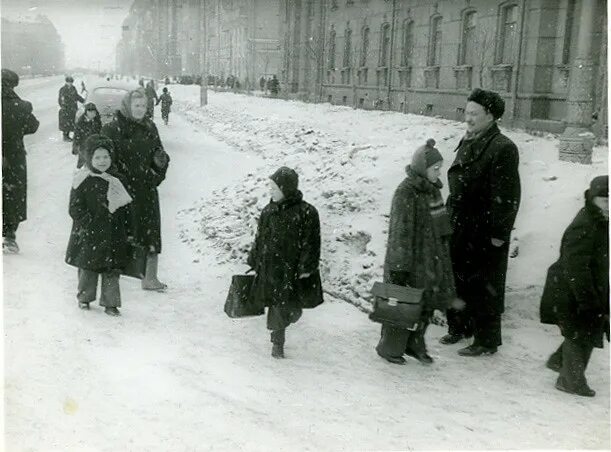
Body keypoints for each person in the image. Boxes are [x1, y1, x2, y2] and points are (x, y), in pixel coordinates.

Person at [442, 88, 521, 356]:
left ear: (490, 115)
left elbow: (508, 195)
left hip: (485, 226)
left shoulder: (503, 147)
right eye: (467, 112)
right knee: (459, 276)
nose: (468, 118)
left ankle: (486, 340)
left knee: (486, 284)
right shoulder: (470, 139)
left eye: (474, 113)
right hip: (461, 222)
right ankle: (459, 327)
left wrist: (499, 232)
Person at [375, 139, 458, 365]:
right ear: (423, 168)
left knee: (425, 305)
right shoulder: (406, 193)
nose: (439, 172)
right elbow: (399, 233)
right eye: (435, 168)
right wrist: (399, 267)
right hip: (408, 263)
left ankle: (415, 343)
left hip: (430, 262)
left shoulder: (433, 193)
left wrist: (442, 257)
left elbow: (442, 229)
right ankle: (389, 347)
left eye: (440, 167)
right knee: (401, 306)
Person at [540, 176, 609, 397]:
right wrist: (587, 300)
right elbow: (576, 267)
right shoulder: (586, 224)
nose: (608, 203)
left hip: (583, 285)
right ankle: (570, 381)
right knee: (582, 330)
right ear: (592, 198)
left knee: (583, 328)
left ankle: (558, 361)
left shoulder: (600, 219)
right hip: (571, 288)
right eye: (604, 198)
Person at [247, 167, 323, 359]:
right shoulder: (268, 211)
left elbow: (312, 242)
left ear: (285, 188)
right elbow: (260, 238)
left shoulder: (307, 212)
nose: (270, 191)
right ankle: (277, 343)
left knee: (291, 308)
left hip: (292, 270)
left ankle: (286, 322)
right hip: (272, 268)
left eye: (274, 188)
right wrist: (254, 258)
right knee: (277, 307)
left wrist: (307, 267)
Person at [101, 89, 170, 292]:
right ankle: (110, 278)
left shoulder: (150, 127)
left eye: (143, 106)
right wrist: (119, 181)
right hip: (121, 191)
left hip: (146, 190)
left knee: (150, 235)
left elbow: (159, 154)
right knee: (119, 235)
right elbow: (105, 160)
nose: (140, 109)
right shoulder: (113, 129)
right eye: (136, 105)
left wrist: (159, 166)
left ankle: (150, 278)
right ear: (127, 106)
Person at [65, 134, 133, 316]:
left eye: (106, 157)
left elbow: (126, 207)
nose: (102, 161)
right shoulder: (82, 180)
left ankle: (111, 303)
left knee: (112, 269)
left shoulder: (117, 180)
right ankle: (84, 297)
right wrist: (88, 222)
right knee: (88, 267)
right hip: (90, 233)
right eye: (97, 157)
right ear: (89, 158)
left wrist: (128, 229)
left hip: (113, 233)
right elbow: (74, 208)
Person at [1, 69, 40, 254]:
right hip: (14, 155)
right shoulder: (21, 106)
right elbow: (33, 126)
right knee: (12, 193)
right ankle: (9, 235)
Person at [73, 103, 102, 168]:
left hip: (94, 145)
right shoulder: (81, 121)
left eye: (93, 111)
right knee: (82, 163)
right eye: (89, 111)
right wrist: (75, 145)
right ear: (86, 112)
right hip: (84, 146)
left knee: (94, 163)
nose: (92, 113)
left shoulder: (97, 120)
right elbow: (76, 134)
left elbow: (100, 131)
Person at [58, 76, 85, 142]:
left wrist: (83, 101)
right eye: (68, 82)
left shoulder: (73, 88)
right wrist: (63, 106)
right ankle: (65, 136)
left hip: (73, 108)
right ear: (66, 82)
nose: (70, 83)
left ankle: (69, 136)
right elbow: (61, 99)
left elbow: (76, 96)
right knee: (66, 123)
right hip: (66, 109)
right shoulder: (63, 89)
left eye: (71, 82)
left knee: (72, 123)